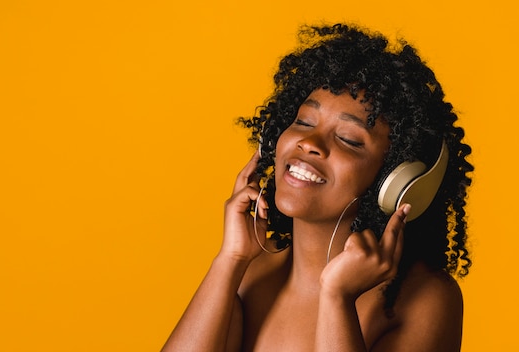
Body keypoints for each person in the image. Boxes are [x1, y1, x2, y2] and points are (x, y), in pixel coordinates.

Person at [162, 23, 473, 351]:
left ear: (396, 182)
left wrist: (337, 298)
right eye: (303, 122)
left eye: (349, 140)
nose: (309, 143)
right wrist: (231, 259)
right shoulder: (247, 274)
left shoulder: (425, 298)